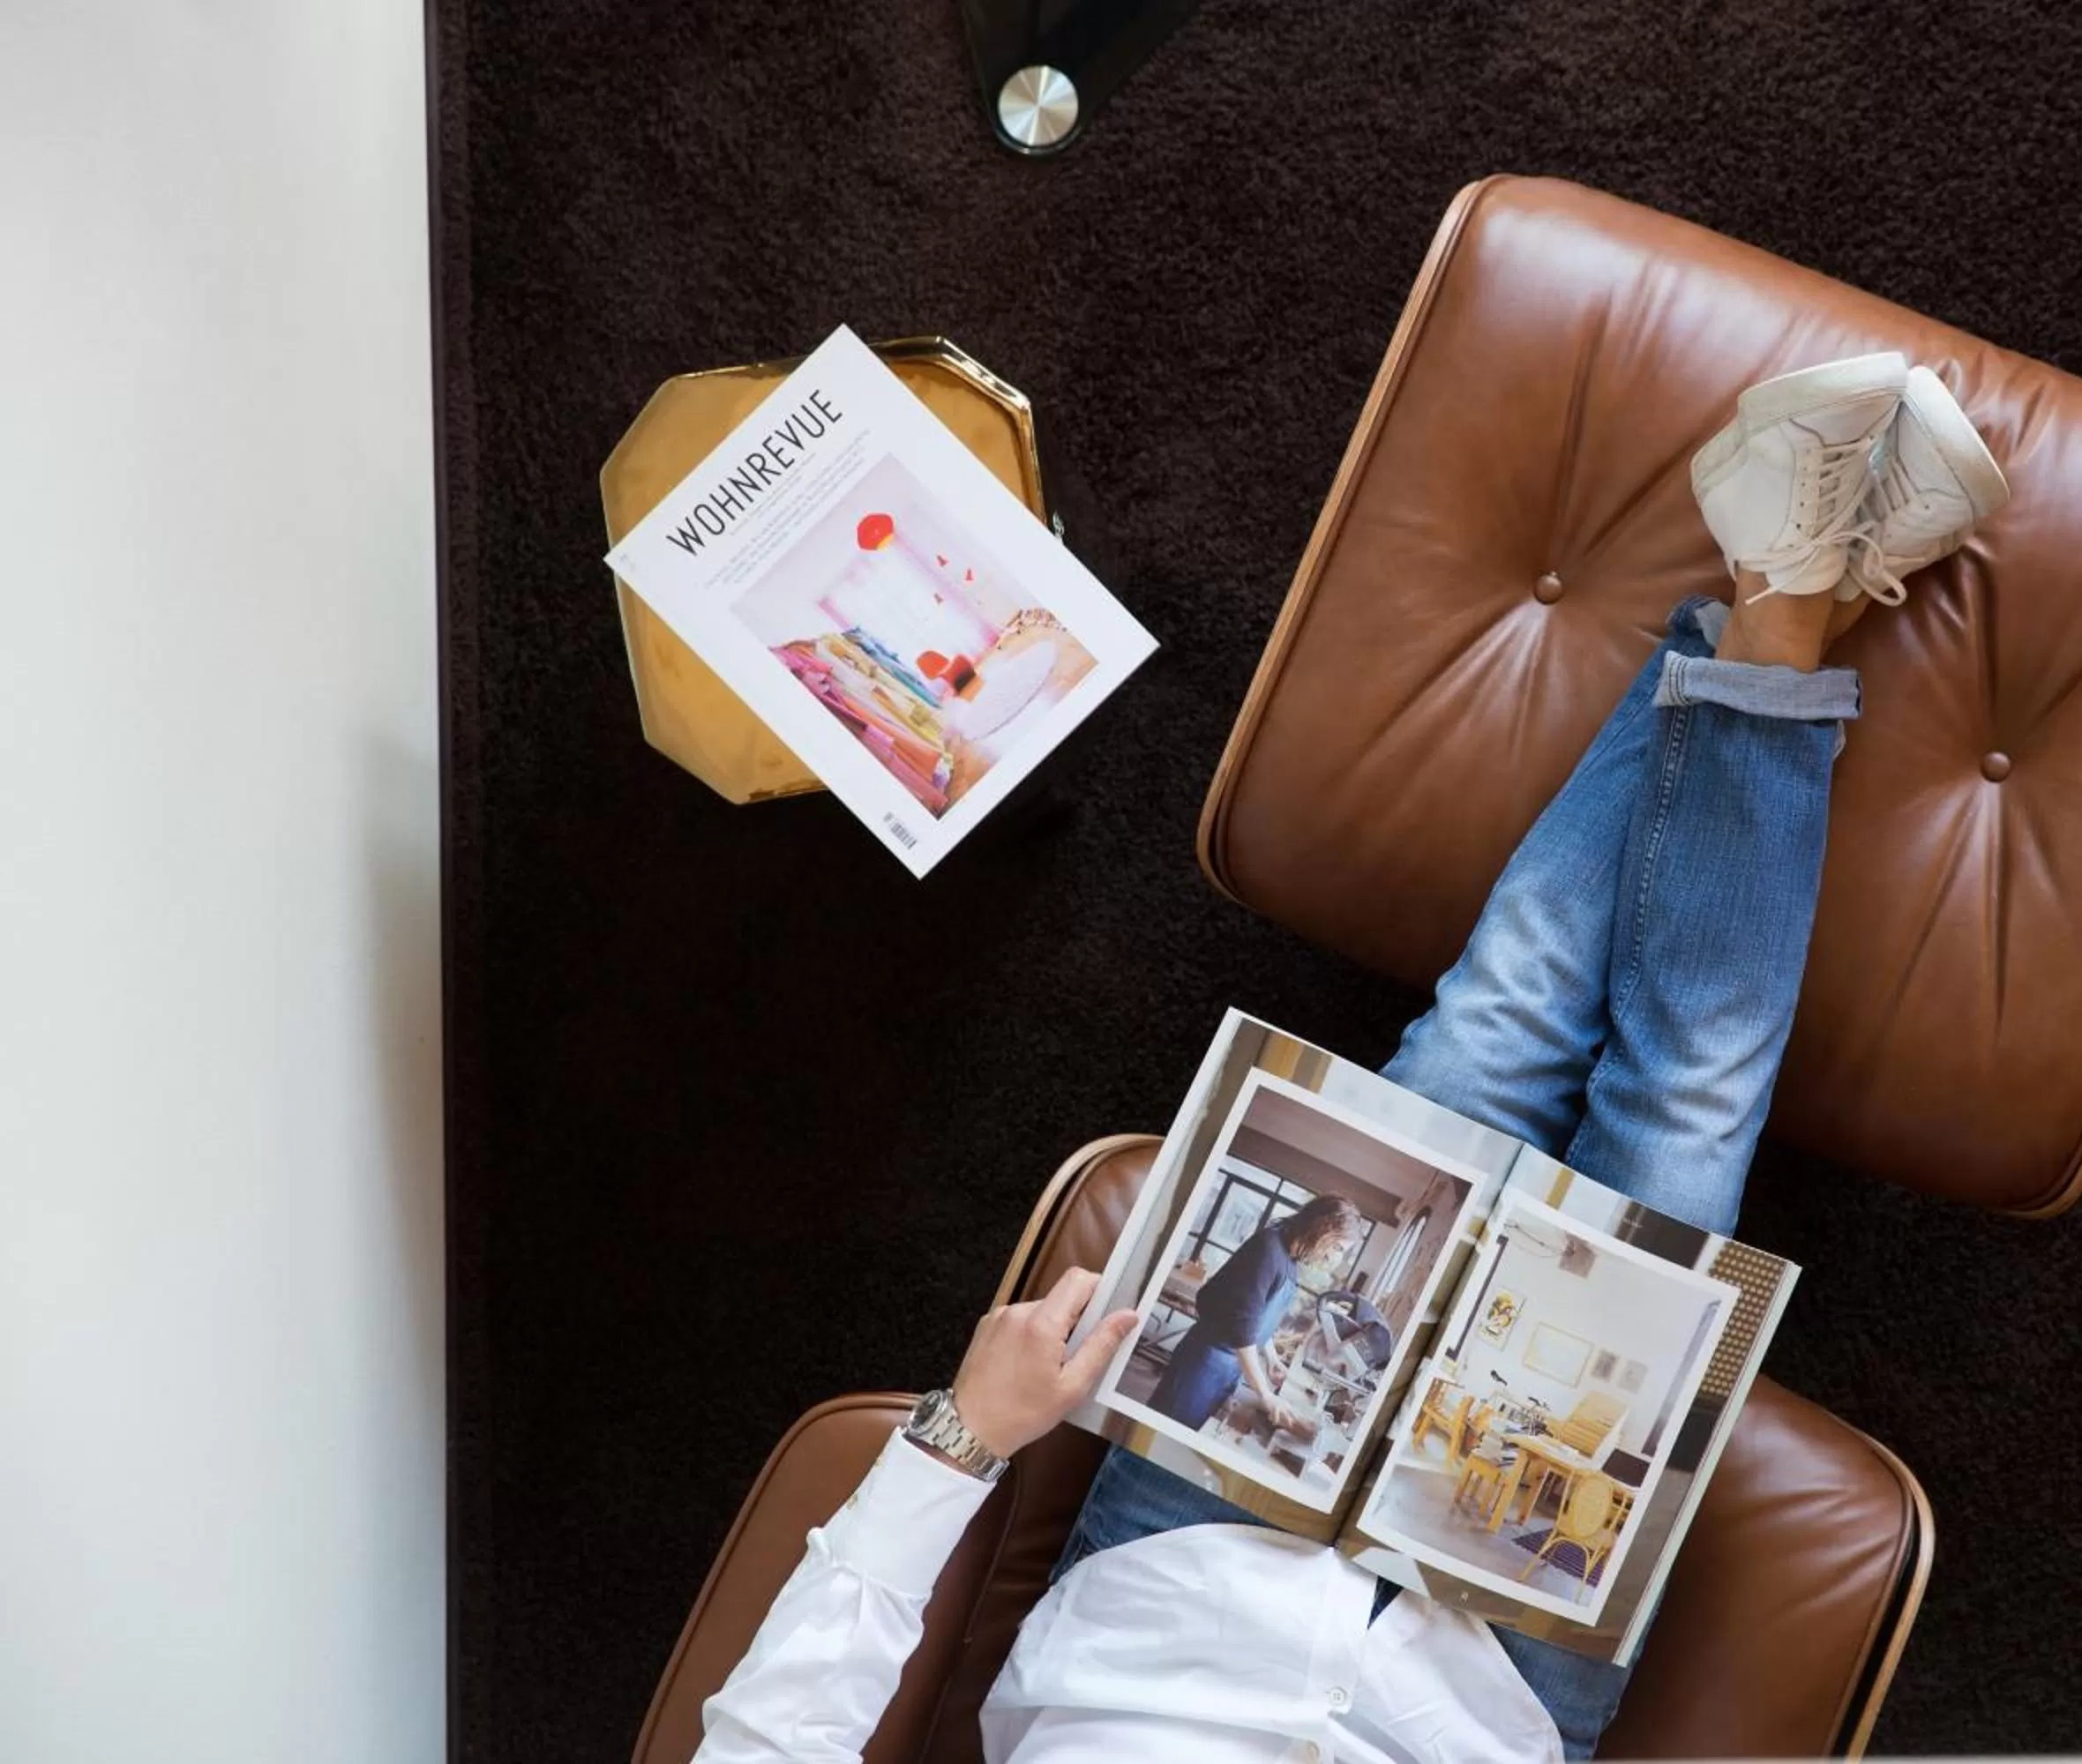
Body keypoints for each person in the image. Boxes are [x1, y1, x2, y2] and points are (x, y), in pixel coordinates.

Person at [691, 353, 2011, 1764]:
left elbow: (775, 1735)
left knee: (1497, 1036)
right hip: (1486, 1691)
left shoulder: (1288, 1270)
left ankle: (1781, 590)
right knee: (1686, 1118)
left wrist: (962, 1435)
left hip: (1185, 1584)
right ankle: (1778, 588)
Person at [1153, 1193, 1363, 1430]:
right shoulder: (1268, 1249)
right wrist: (1265, 1394)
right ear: (1321, 1229)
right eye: (1336, 1247)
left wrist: (1272, 1358)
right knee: (1163, 1429)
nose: (1333, 1257)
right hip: (1206, 1361)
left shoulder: (1290, 1260)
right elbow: (1242, 1326)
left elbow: (1258, 1318)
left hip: (1230, 1365)